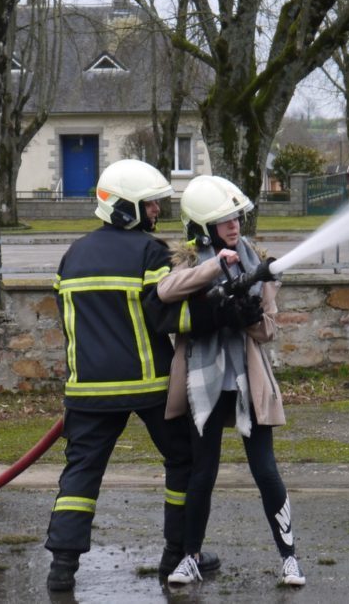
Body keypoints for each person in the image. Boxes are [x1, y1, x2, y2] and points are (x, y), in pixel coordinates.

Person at [44, 159, 222, 592]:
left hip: (86, 391)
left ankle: (62, 570)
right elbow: (169, 316)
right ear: (127, 208)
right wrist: (219, 311)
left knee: (80, 477)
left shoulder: (72, 255)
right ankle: (176, 555)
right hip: (149, 386)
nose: (158, 212)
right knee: (183, 460)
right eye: (152, 205)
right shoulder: (149, 253)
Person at [155, 175, 306, 587]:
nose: (234, 224)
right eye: (223, 219)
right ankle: (190, 557)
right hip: (204, 387)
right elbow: (166, 291)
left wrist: (251, 317)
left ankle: (290, 559)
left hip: (247, 385)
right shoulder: (186, 260)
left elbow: (269, 331)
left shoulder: (258, 261)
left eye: (236, 216)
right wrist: (215, 267)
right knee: (203, 472)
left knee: (266, 471)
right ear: (204, 226)